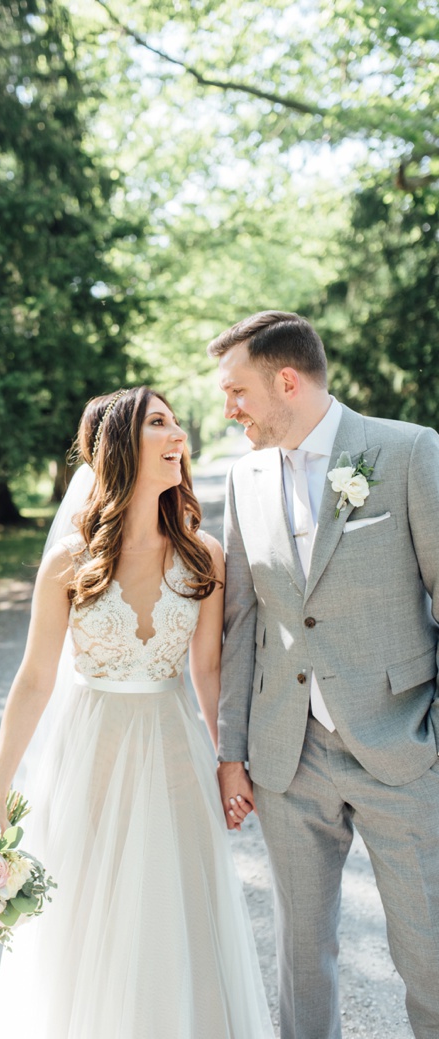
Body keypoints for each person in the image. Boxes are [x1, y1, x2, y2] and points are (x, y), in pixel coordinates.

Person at [0, 386, 272, 1037]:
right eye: (158, 423)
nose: (179, 436)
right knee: (86, 922)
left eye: (176, 423)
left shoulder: (205, 556)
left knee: (176, 920)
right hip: (91, 754)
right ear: (120, 445)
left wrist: (230, 762)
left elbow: (208, 669)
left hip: (173, 752)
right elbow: (34, 679)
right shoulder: (69, 563)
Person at [211, 311, 439, 1039]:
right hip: (289, 757)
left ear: (286, 381)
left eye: (237, 391)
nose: (229, 410)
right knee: (302, 960)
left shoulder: (407, 452)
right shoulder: (242, 477)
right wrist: (232, 751)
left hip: (403, 745)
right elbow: (243, 621)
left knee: (429, 954)